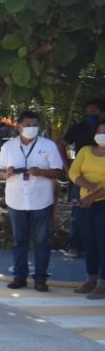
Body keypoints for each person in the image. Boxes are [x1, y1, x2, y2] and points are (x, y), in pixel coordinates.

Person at [0, 111, 66, 292]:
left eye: (34, 125)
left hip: (41, 200)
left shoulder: (48, 145)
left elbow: (58, 171)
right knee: (19, 241)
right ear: (18, 126)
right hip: (16, 201)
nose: (31, 128)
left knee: (41, 241)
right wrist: (6, 174)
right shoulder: (9, 146)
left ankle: (40, 279)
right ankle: (19, 277)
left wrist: (41, 172)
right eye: (27, 125)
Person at [56, 98, 104, 258]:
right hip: (80, 179)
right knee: (78, 212)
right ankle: (75, 245)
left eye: (94, 112)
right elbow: (61, 144)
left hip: (102, 186)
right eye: (88, 111)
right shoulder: (80, 128)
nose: (90, 114)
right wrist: (67, 167)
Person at [69, 119, 105, 299]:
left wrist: (93, 196)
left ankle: (103, 283)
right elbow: (73, 172)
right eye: (100, 132)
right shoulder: (85, 151)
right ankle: (91, 278)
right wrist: (88, 186)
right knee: (89, 242)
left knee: (103, 243)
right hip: (85, 202)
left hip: (101, 203)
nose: (102, 135)